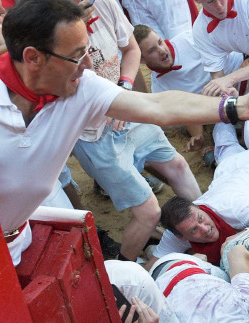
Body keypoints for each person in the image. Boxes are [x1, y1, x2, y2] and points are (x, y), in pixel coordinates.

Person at [0, 0, 249, 266]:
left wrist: (240, 108)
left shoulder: (81, 87)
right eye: (76, 55)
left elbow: (158, 108)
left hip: (21, 233)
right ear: (32, 57)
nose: (88, 65)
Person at [71, 0, 204, 262]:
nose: (88, 5)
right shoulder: (53, 26)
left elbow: (131, 49)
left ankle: (210, 221)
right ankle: (127, 270)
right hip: (93, 133)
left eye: (89, 1)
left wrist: (123, 88)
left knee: (177, 165)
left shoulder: (106, 4)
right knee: (148, 212)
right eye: (79, 2)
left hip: (127, 107)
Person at [134, 23, 242, 154]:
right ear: (141, 60)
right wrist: (197, 136)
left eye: (160, 42)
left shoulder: (189, 39)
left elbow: (235, 43)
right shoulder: (160, 88)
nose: (162, 50)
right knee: (224, 136)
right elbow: (187, 110)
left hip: (241, 74)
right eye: (152, 50)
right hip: (221, 107)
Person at [153, 148, 249, 265]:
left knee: (226, 145)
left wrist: (242, 234)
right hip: (226, 175)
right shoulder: (176, 231)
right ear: (180, 236)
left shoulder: (237, 210)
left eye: (201, 218)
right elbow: (154, 265)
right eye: (194, 230)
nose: (205, 229)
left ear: (200, 207)